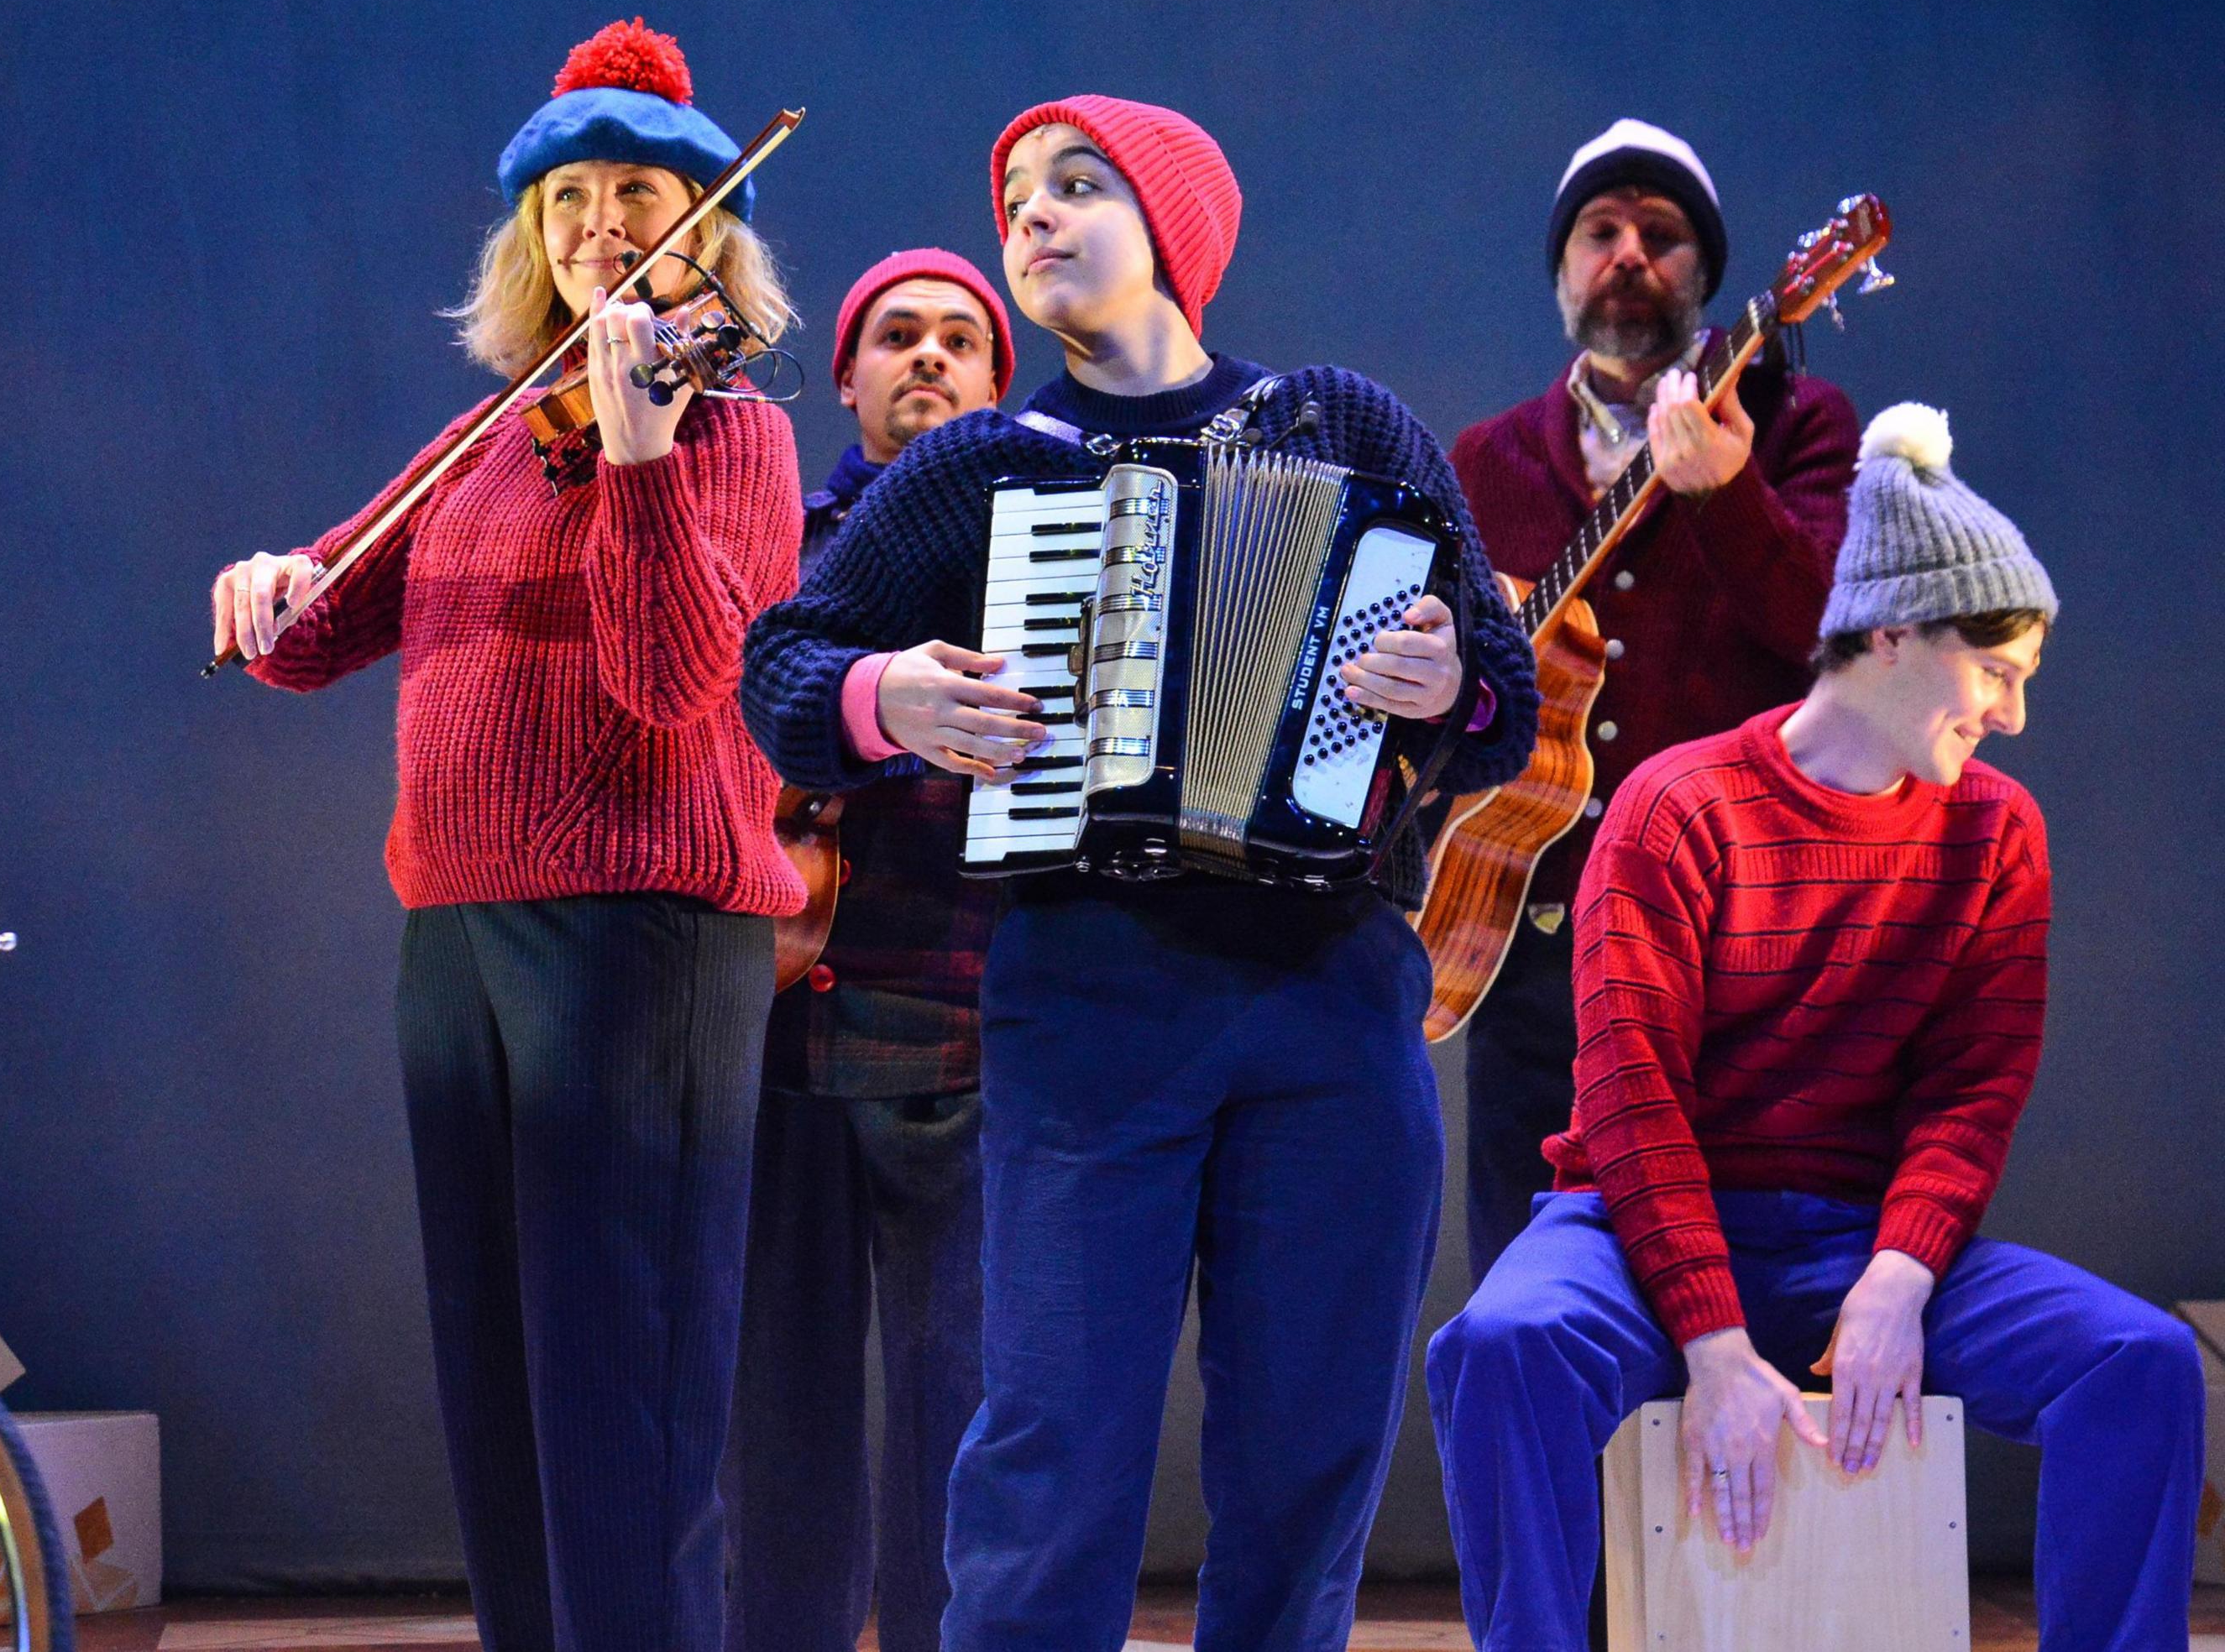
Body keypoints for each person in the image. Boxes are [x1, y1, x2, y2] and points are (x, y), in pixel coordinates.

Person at [740, 97, 1539, 1651]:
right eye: (1017, 197)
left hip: (1331, 997)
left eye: (1076, 185)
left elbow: (1500, 690)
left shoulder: (1340, 426)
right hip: (1088, 991)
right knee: (1052, 1462)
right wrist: (883, 699)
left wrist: (1453, 687)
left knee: (1309, 1469)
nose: (1033, 216)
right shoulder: (986, 463)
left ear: (1171, 225)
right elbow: (786, 657)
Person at [208, 18, 802, 1651]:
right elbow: (322, 624)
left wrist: (634, 458)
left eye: (634, 187)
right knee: (501, 1379)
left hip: (638, 943)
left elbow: (682, 681)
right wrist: (270, 589)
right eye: (564, 199)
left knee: (627, 1388)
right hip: (458, 942)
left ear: (706, 217)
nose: (597, 222)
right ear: (527, 238)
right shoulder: (486, 437)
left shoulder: (729, 430)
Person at [1428, 404, 2203, 1650]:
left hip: (1858, 1237)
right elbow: (1631, 1098)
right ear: (1892, 635)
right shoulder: (1674, 807)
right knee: (1502, 1346)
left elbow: (1972, 1089)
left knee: (2140, 1364)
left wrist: (1901, 1278)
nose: (2011, 715)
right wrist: (1715, 1342)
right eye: (1996, 674)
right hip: (1641, 1233)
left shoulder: (1997, 833)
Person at [1448, 118, 1861, 1278]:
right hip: (1526, 939)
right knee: (1527, 1292)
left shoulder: (1793, 425)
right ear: (1563, 268)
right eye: (1602, 231)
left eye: (1663, 235)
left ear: (1712, 277)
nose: (1630, 253)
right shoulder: (1484, 460)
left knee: (1732, 1291)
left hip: (1731, 935)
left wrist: (1729, 495)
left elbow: (1841, 637)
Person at [721, 248, 1011, 1652]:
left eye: (962, 339)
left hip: (971, 1034)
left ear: (999, 383)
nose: (931, 358)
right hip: (782, 1024)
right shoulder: (779, 534)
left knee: (960, 1418)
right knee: (780, 1422)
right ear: (845, 376)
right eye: (899, 336)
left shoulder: (1052, 542)